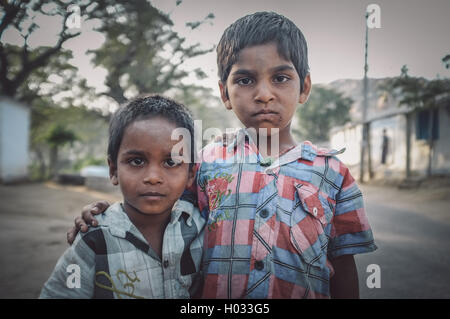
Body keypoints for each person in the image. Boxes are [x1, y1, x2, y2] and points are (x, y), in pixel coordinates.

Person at [67, 12, 377, 299]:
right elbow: (156, 208)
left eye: (280, 78)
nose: (264, 94)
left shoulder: (333, 172)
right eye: (245, 80)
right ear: (225, 94)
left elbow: (343, 263)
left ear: (304, 87)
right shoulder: (204, 162)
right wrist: (106, 217)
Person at [41, 95, 205, 298]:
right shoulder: (95, 237)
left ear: (190, 173)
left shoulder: (202, 228)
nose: (153, 178)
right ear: (113, 170)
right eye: (137, 161)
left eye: (171, 163)